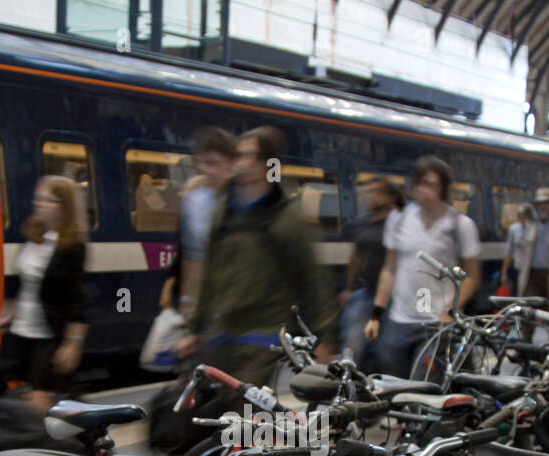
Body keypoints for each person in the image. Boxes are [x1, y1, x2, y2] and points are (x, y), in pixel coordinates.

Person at [179, 126, 335, 386]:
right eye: (240, 156)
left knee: (246, 416)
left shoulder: (286, 218)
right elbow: (210, 275)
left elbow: (313, 280)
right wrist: (194, 329)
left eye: (250, 156)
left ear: (267, 164)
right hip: (220, 333)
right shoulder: (224, 212)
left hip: (263, 336)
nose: (241, 163)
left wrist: (325, 339)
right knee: (205, 413)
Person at [366, 156, 479, 379]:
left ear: (443, 189)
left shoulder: (460, 225)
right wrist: (376, 315)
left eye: (432, 185)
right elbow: (390, 268)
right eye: (421, 183)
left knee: (423, 387)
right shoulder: (397, 220)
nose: (425, 191)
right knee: (392, 387)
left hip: (436, 324)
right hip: (400, 320)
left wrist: (449, 311)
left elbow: (472, 276)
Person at [0, 175, 90, 399]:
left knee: (40, 400)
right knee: (25, 399)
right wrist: (9, 315)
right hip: (22, 332)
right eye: (38, 198)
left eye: (48, 200)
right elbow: (27, 284)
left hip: (49, 336)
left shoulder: (72, 247)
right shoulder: (35, 237)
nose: (39, 204)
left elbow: (77, 300)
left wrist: (72, 344)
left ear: (64, 207)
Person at [339, 176, 401, 367]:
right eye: (367, 192)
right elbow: (356, 256)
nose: (370, 197)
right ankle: (349, 386)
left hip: (395, 296)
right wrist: (348, 287)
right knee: (352, 343)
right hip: (366, 291)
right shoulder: (363, 223)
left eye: (376, 192)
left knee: (387, 348)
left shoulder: (399, 221)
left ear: (390, 196)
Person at [176, 127, 236, 323]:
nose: (206, 170)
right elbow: (192, 257)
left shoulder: (246, 202)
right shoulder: (194, 201)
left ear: (231, 164)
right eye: (202, 163)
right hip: (208, 308)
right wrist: (188, 303)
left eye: (214, 163)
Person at [508, 186, 549, 335]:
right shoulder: (530, 223)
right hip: (531, 274)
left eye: (547, 203)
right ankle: (525, 344)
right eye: (540, 203)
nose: (543, 206)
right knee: (528, 309)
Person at [501, 203, 533, 295]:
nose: (521, 217)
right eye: (519, 215)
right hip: (519, 268)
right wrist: (504, 273)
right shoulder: (514, 229)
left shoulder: (535, 229)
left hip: (532, 270)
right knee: (519, 294)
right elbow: (509, 251)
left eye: (524, 215)